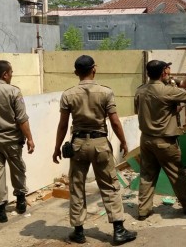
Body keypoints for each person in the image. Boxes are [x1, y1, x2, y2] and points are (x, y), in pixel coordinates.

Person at [52, 55, 136, 245]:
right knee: (109, 185)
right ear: (94, 69)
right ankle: (119, 230)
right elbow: (114, 121)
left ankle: (78, 231)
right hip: (100, 144)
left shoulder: (68, 94)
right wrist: (123, 141)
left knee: (77, 186)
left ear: (76, 73)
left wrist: (57, 147)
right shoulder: (105, 92)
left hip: (78, 145)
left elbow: (63, 125)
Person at [134, 60, 186, 220]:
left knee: (147, 175)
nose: (169, 72)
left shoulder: (140, 90)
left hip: (146, 140)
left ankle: (143, 210)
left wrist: (170, 110)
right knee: (176, 175)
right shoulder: (167, 90)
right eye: (167, 70)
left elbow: (144, 110)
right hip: (165, 141)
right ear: (163, 72)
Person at [0, 60, 35, 223]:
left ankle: (0, 210)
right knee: (17, 169)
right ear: (5, 74)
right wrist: (30, 138)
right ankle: (20, 201)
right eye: (11, 72)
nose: (12, 75)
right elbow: (22, 119)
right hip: (12, 140)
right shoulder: (14, 92)